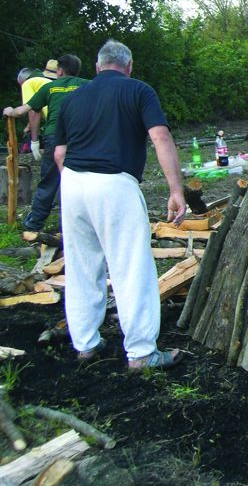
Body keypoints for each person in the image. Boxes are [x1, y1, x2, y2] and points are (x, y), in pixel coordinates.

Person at [54, 39, 186, 371]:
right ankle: (142, 353)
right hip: (114, 183)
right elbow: (160, 138)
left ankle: (85, 344)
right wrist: (176, 191)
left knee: (82, 266)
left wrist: (76, 185)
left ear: (97, 67)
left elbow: (59, 154)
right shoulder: (139, 91)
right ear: (128, 67)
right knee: (131, 267)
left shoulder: (72, 98)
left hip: (71, 183)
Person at [3, 55, 88, 231]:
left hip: (54, 137)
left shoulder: (49, 87)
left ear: (60, 70)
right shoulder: (87, 85)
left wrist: (10, 111)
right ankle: (78, 224)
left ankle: (35, 223)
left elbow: (24, 110)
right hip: (81, 137)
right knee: (81, 178)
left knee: (49, 180)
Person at [15, 64, 54, 160]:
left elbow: (33, 110)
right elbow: (39, 108)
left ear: (23, 81)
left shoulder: (28, 83)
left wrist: (34, 142)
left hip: (55, 125)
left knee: (49, 166)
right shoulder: (45, 81)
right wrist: (29, 126)